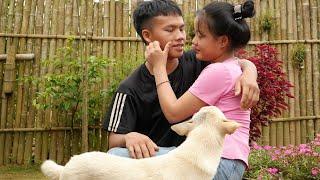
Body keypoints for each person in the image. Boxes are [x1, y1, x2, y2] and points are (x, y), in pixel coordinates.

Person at [103, 0, 259, 162]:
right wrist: (129, 137)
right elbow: (113, 141)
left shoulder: (198, 60)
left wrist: (249, 72)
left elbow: (231, 63)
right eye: (170, 30)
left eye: (182, 29)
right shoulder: (129, 88)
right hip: (157, 165)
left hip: (198, 160)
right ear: (147, 36)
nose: (180, 36)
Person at [145, 0, 255, 179]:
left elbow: (173, 113)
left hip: (218, 163)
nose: (194, 41)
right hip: (228, 162)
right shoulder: (230, 66)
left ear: (222, 41)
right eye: (195, 34)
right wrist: (251, 68)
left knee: (119, 156)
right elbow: (242, 62)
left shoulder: (218, 71)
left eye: (201, 36)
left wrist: (158, 67)